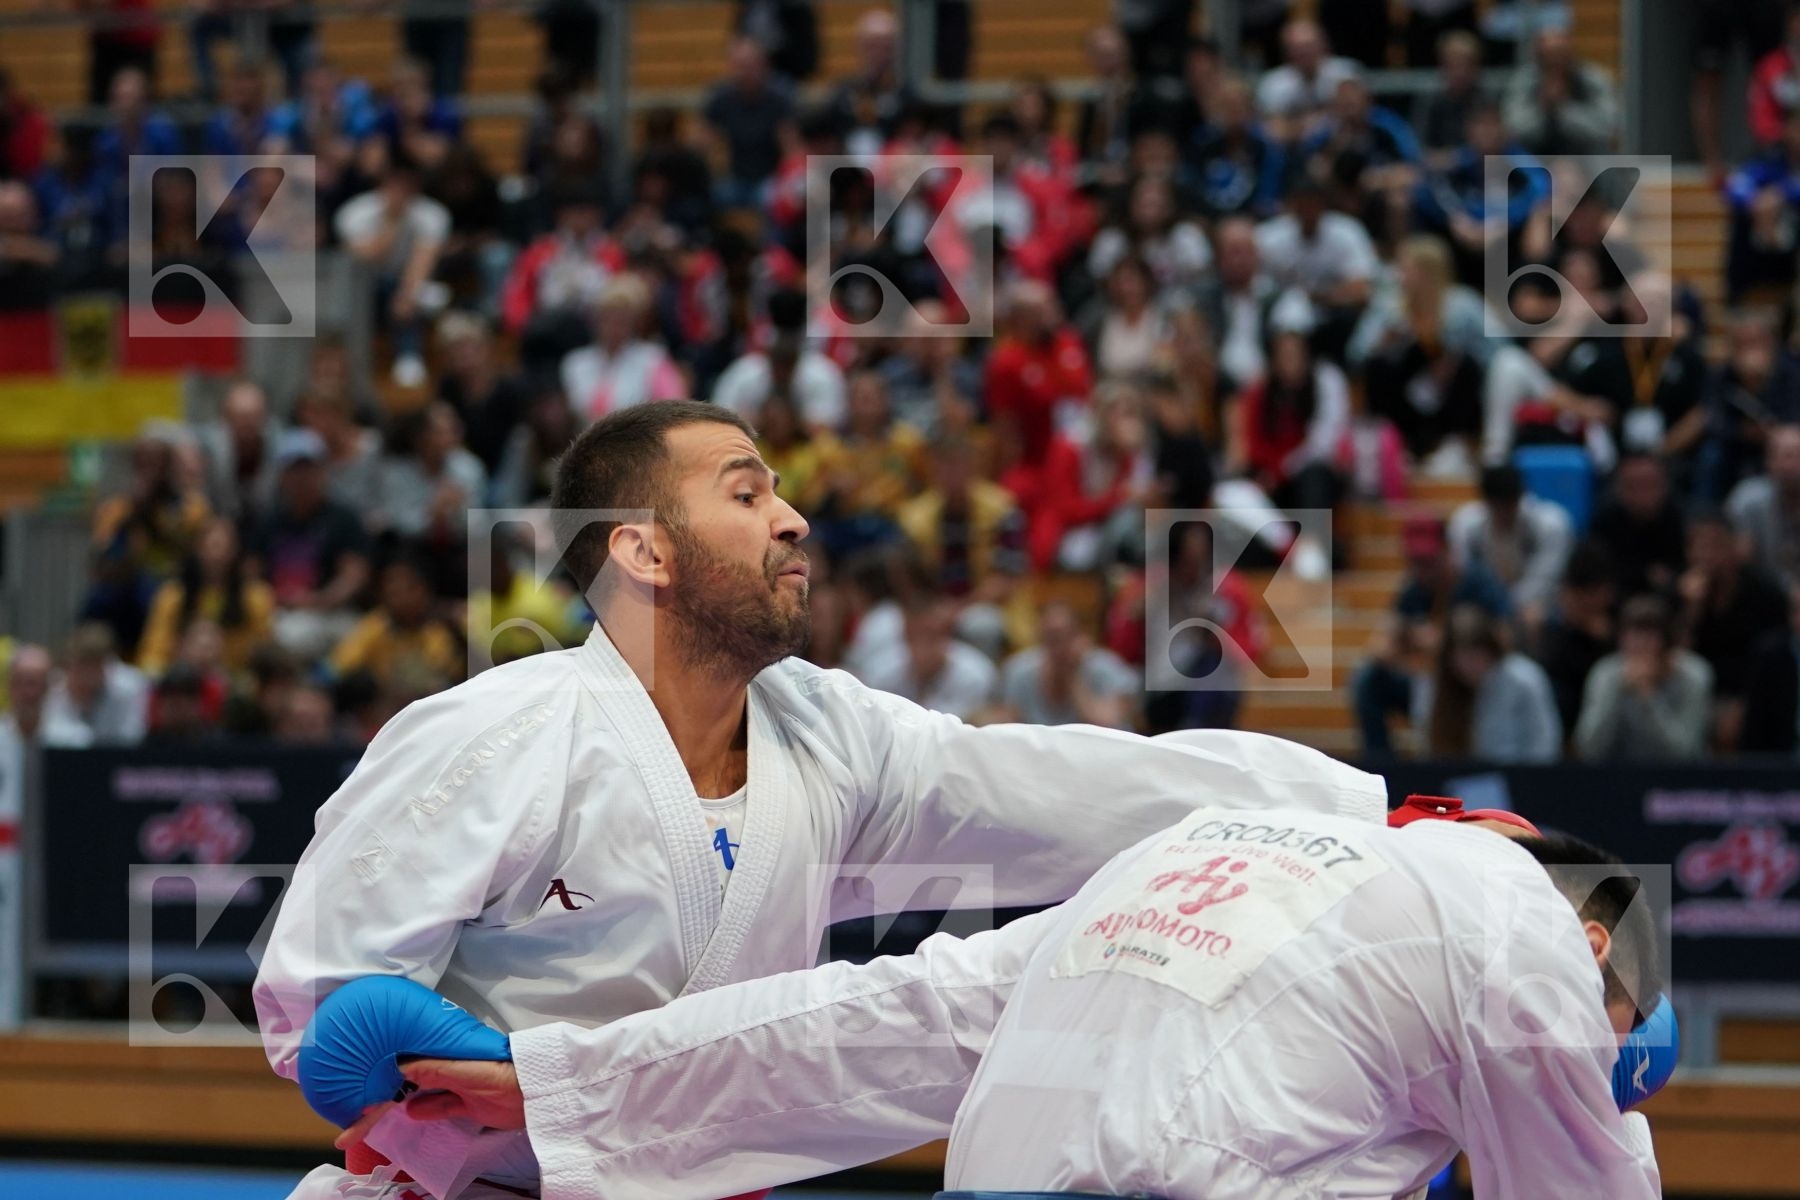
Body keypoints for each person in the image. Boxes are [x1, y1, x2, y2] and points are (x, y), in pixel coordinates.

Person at [258, 401, 1392, 1198]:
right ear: (644, 552)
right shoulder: (494, 736)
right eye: (747, 493)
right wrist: (514, 1080)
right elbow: (324, 1016)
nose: (793, 519)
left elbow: (1064, 789)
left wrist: (1358, 816)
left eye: (784, 491)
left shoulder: (830, 735)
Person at [352, 809, 1667, 1200]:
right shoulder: (1518, 922)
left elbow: (882, 1021)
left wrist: (558, 1076)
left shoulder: (1194, 856)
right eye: (1619, 1049)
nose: (1588, 1073)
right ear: (1592, 941)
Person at [1575, 594, 1713, 762]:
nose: (1639, 646)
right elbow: (1589, 748)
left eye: (1649, 637)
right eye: (1632, 636)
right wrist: (1615, 692)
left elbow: (1684, 752)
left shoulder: (1693, 675)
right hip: (1617, 776)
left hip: (1677, 782)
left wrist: (1648, 697)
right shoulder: (1606, 673)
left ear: (1668, 644)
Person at [137, 516, 277, 677]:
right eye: (211, 547)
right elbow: (153, 650)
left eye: (223, 547)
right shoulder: (173, 595)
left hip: (233, 682)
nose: (217, 555)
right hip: (181, 682)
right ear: (198, 549)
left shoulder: (255, 597)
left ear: (235, 551)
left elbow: (263, 652)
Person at [1424, 603, 1563, 763]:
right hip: (1463, 782)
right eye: (1461, 656)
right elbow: (1434, 750)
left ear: (1491, 650)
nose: (1468, 665)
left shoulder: (1524, 678)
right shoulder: (1437, 686)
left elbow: (1544, 743)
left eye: (1475, 656)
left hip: (1524, 778)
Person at [1446, 464, 1574, 635]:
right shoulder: (1466, 526)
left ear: (1520, 497)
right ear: (1485, 502)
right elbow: (1469, 576)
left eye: (1508, 506)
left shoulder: (1551, 526)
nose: (1502, 513)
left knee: (1534, 616)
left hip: (1540, 604)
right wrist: (1498, 608)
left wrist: (1509, 609)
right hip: (1486, 606)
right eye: (1496, 506)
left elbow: (1545, 580)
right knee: (1464, 618)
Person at [859, 592, 998, 721]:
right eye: (915, 638)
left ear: (947, 636)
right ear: (905, 637)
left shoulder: (976, 675)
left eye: (932, 637)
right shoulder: (882, 673)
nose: (924, 648)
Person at [1727, 422, 1800, 588]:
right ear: (1768, 461)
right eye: (1782, 456)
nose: (1789, 466)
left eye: (1796, 456)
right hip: (1764, 596)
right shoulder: (1747, 500)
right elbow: (1739, 565)